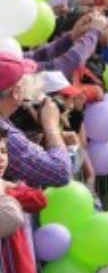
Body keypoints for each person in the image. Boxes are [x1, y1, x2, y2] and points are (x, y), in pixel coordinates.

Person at [0, 52, 71, 188]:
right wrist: (51, 127)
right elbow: (60, 172)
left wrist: (36, 140)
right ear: (16, 92)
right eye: (26, 80)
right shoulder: (8, 134)